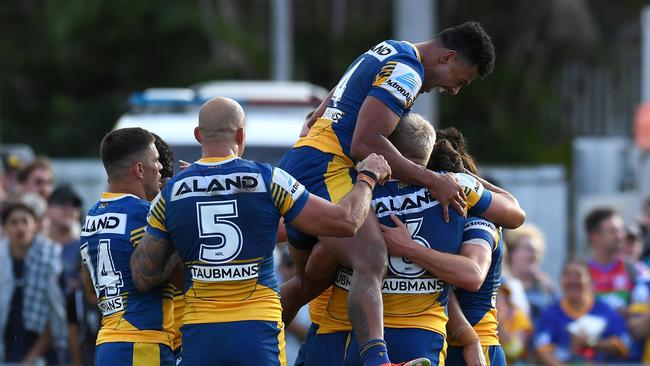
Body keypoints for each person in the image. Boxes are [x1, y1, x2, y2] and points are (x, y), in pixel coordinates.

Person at [280, 22, 496, 366]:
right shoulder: (408, 73)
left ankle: (259, 341)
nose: (454, 90)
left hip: (306, 160)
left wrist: (316, 127)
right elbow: (365, 143)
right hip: (325, 168)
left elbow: (329, 100)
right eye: (461, 80)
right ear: (448, 56)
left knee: (310, 280)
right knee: (371, 259)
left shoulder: (388, 48)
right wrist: (432, 180)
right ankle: (379, 360)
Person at [129, 97, 392, 365]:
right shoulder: (269, 179)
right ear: (241, 134)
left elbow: (143, 275)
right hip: (258, 329)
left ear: (198, 135)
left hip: (200, 331)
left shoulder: (170, 194)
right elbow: (346, 222)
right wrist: (367, 178)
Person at [80, 127, 176, 365]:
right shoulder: (143, 213)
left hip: (108, 342)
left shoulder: (91, 216)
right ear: (140, 169)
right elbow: (180, 278)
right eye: (156, 160)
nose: (161, 167)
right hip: (142, 343)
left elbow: (90, 289)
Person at [0, 202, 67, 364]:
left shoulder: (50, 259)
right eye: (14, 222)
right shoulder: (2, 259)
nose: (20, 227)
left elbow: (55, 313)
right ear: (5, 227)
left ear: (35, 225)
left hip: (43, 354)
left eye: (25, 221)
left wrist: (29, 360)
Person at [534, 260, 631, 365]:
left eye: (578, 275)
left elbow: (624, 343)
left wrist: (592, 343)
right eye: (567, 275)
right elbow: (542, 350)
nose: (573, 281)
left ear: (590, 281)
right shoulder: (551, 313)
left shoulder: (604, 310)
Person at [585, 207, 636, 312]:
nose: (620, 236)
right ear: (594, 237)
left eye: (620, 230)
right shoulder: (581, 273)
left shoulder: (632, 269)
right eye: (612, 231)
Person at [505, 224, 559, 324]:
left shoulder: (548, 288)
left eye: (537, 251)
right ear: (511, 253)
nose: (533, 255)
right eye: (528, 249)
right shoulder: (502, 287)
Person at [47, 185, 84, 294]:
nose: (69, 210)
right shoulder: (37, 247)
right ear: (48, 208)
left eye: (74, 205)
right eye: (62, 203)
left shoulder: (86, 247)